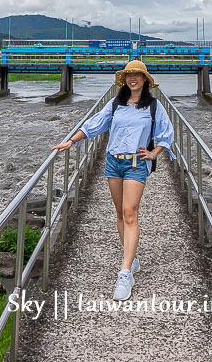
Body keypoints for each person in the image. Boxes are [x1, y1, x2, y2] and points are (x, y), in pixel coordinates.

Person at [51, 59, 175, 300]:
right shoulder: (116, 104)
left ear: (145, 80)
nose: (133, 79)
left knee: (130, 212)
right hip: (113, 161)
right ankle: (132, 257)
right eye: (129, 75)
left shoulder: (153, 106)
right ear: (124, 80)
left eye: (137, 75)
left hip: (136, 163)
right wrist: (71, 141)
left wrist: (153, 153)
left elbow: (165, 134)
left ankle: (125, 271)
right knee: (119, 212)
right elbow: (95, 124)